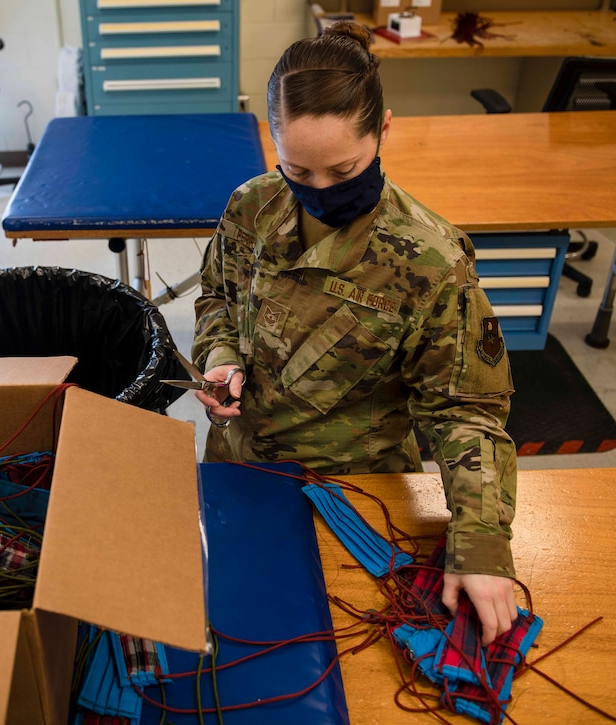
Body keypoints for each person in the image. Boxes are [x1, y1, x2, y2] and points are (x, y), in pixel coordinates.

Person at [191, 21, 518, 646]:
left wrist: (479, 543)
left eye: (344, 171)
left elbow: (466, 410)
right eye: (298, 171)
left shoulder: (429, 260)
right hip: (240, 467)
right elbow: (216, 298)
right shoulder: (252, 206)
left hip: (352, 496)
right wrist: (222, 355)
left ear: (384, 131)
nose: (320, 192)